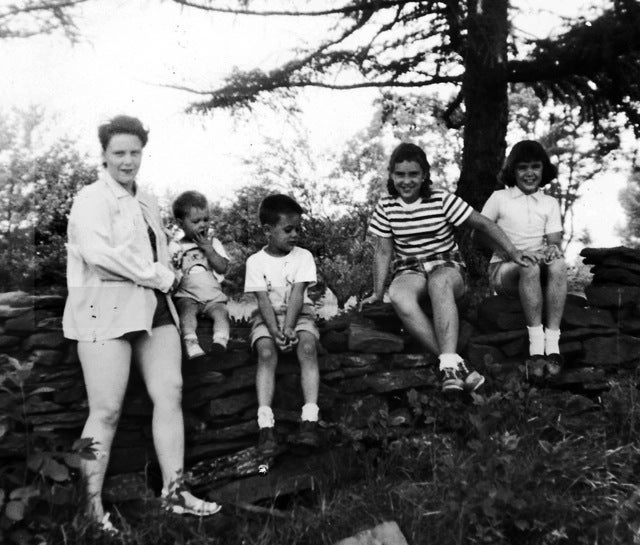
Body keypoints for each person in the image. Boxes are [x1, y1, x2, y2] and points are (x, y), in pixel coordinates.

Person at [62, 115, 221, 532]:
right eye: (119, 153)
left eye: (135, 152)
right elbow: (101, 256)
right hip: (101, 308)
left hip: (151, 307)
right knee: (107, 410)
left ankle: (175, 492)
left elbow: (162, 255)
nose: (128, 161)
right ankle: (90, 510)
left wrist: (169, 284)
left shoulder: (146, 199)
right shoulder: (91, 199)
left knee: (170, 391)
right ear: (104, 155)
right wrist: (159, 277)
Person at [361, 142, 535, 393]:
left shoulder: (442, 200)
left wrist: (513, 252)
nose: (406, 180)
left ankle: (449, 365)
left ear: (424, 175)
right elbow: (383, 251)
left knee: (438, 282)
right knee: (399, 296)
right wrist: (378, 293)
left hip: (447, 267)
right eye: (400, 174)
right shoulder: (386, 206)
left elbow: (485, 225)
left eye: (413, 174)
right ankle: (454, 364)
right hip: (409, 269)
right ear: (391, 175)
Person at [481, 140, 567, 381]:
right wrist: (512, 253)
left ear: (544, 170)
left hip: (537, 268)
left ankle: (553, 345)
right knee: (527, 266)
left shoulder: (550, 203)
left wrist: (552, 250)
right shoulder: (500, 197)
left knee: (559, 264)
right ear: (513, 170)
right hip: (505, 268)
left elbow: (554, 241)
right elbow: (479, 233)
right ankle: (536, 349)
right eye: (522, 167)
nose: (530, 173)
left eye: (535, 167)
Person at [244, 194, 320, 454]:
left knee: (307, 347)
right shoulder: (255, 262)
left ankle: (309, 419)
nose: (295, 234)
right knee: (265, 351)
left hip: (299, 314)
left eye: (298, 228)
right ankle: (265, 425)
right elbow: (262, 300)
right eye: (288, 229)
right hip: (267, 318)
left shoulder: (304, 257)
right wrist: (275, 332)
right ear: (268, 230)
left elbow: (298, 294)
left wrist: (288, 329)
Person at [169, 191, 231, 359]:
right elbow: (171, 275)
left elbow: (222, 268)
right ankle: (191, 343)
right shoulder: (176, 246)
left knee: (222, 313)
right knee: (186, 312)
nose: (203, 225)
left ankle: (220, 340)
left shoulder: (214, 243)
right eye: (196, 221)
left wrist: (209, 250)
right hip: (188, 296)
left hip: (213, 297)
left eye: (206, 220)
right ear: (181, 224)